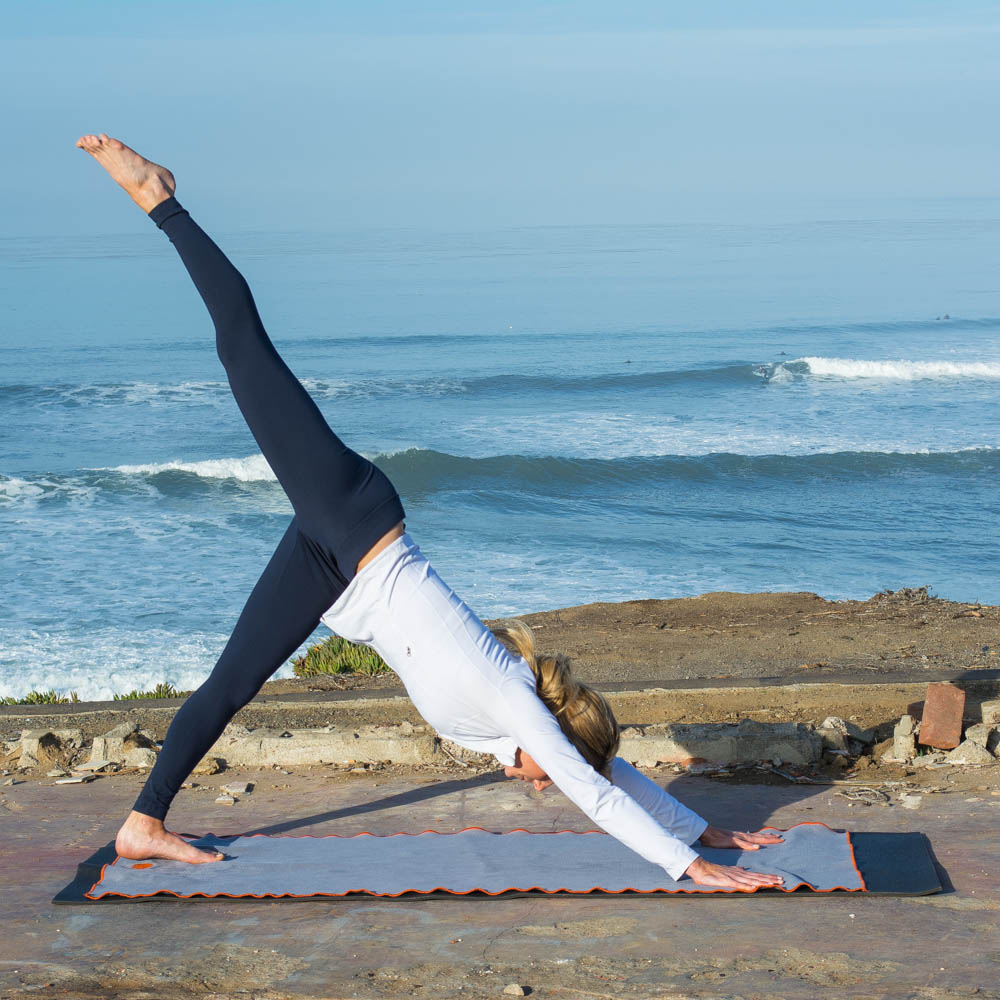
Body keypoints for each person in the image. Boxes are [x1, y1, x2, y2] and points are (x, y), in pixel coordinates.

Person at [75, 134, 785, 891]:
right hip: (350, 519)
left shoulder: (525, 728)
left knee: (230, 683)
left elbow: (607, 771)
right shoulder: (518, 707)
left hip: (336, 564)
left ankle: (142, 824)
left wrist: (694, 824)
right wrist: (693, 866)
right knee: (244, 350)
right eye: (553, 774)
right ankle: (161, 198)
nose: (543, 787)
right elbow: (598, 792)